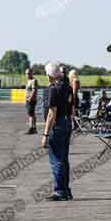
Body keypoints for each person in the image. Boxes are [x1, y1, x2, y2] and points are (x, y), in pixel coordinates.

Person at [42, 62, 74, 201]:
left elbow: (51, 113)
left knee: (56, 160)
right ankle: (66, 190)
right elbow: (72, 107)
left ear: (49, 76)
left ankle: (60, 191)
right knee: (64, 159)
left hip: (57, 125)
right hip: (67, 123)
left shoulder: (53, 89)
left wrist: (45, 134)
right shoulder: (68, 87)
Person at [25, 68, 38, 134]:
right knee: (32, 114)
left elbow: (34, 90)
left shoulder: (34, 80)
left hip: (31, 100)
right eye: (26, 73)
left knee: (31, 114)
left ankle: (31, 128)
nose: (27, 75)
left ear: (31, 73)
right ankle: (34, 128)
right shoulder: (28, 81)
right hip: (27, 100)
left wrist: (30, 98)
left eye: (28, 73)